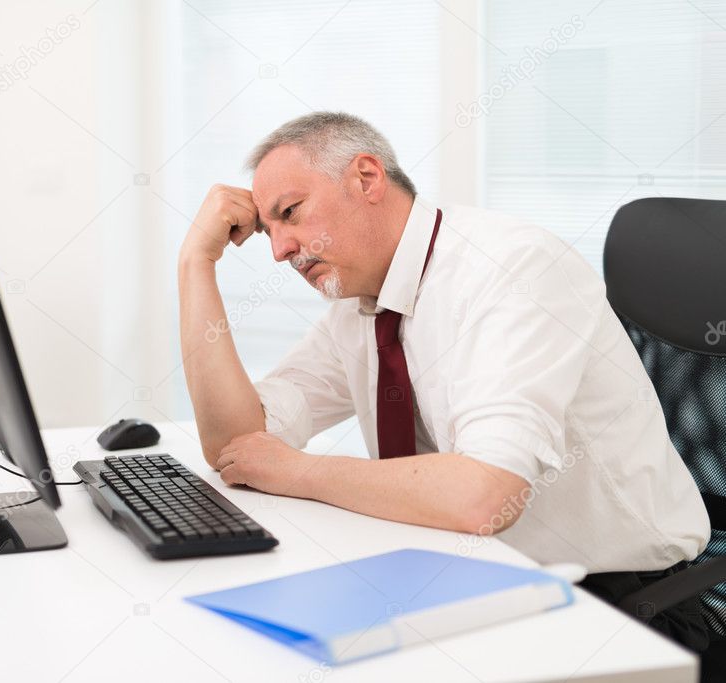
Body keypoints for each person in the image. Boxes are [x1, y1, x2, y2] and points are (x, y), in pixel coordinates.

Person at [177, 111, 712, 650]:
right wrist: (195, 263)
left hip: (618, 608)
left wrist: (297, 470)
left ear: (366, 178)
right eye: (269, 231)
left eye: (290, 213)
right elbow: (237, 445)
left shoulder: (512, 269)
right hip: (471, 587)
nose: (280, 250)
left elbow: (482, 496)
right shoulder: (359, 304)